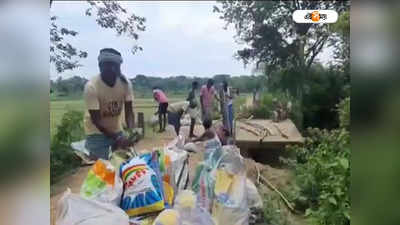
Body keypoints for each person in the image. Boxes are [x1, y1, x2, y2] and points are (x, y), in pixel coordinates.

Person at [83, 48, 135, 160]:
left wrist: (131, 131)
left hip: (117, 130)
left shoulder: (125, 83)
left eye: (114, 66)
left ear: (119, 67)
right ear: (100, 67)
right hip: (96, 133)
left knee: (123, 163)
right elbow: (96, 120)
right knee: (101, 168)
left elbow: (129, 112)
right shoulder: (91, 87)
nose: (111, 69)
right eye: (107, 65)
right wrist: (117, 138)